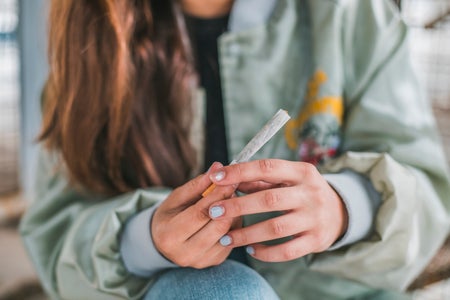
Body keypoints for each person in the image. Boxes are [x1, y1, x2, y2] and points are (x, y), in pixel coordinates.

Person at [20, 0, 450, 299]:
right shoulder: (90, 45)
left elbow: (426, 196)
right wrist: (147, 241)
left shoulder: (351, 16)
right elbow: (56, 232)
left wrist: (342, 209)